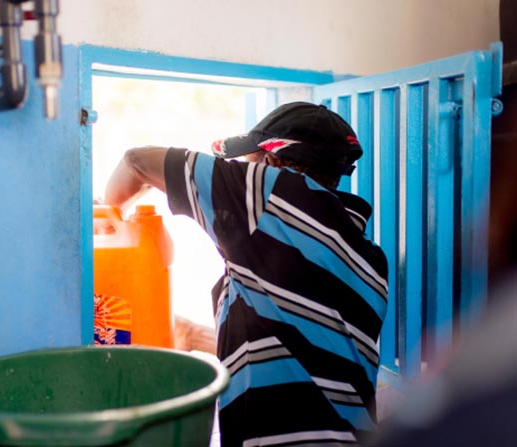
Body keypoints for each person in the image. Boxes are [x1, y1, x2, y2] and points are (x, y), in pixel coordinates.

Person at [104, 101, 389, 446]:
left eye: (247, 160)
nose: (241, 169)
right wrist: (194, 336)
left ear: (272, 161)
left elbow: (136, 162)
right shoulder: (367, 256)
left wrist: (110, 219)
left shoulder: (271, 193)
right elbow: (301, 343)